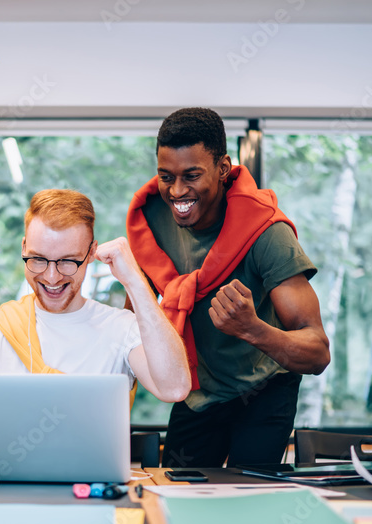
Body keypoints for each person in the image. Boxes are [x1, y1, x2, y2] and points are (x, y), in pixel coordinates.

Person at [127, 108, 330, 468]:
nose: (177, 191)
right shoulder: (151, 217)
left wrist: (253, 329)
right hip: (198, 389)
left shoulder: (267, 233)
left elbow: (317, 352)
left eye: (192, 175)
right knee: (178, 488)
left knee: (248, 494)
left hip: (265, 388)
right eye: (165, 176)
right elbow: (133, 317)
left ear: (223, 168)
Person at [0, 189, 190, 446]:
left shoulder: (121, 328)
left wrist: (134, 281)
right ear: (24, 247)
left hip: (92, 490)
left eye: (67, 261)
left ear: (91, 252)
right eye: (38, 259)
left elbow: (174, 388)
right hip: (5, 489)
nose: (52, 277)